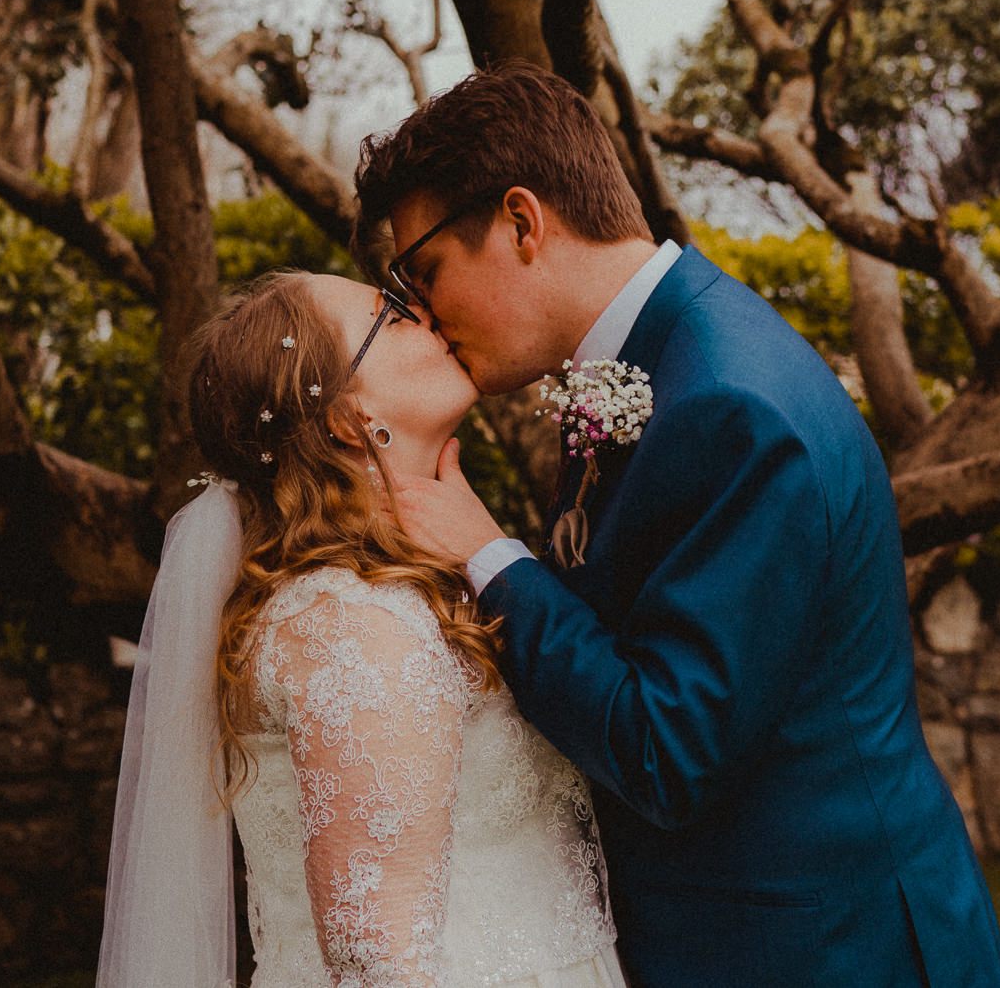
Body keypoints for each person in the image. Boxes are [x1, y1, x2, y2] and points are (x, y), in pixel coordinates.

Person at [355, 61, 1000, 988]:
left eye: (424, 270)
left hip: (819, 950)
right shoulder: (657, 363)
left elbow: (669, 749)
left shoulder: (728, 406)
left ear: (520, 221)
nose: (421, 312)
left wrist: (487, 554)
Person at [96, 269, 626, 988]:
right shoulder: (352, 623)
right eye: (395, 316)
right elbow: (379, 962)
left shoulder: (391, 591)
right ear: (351, 419)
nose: (431, 315)